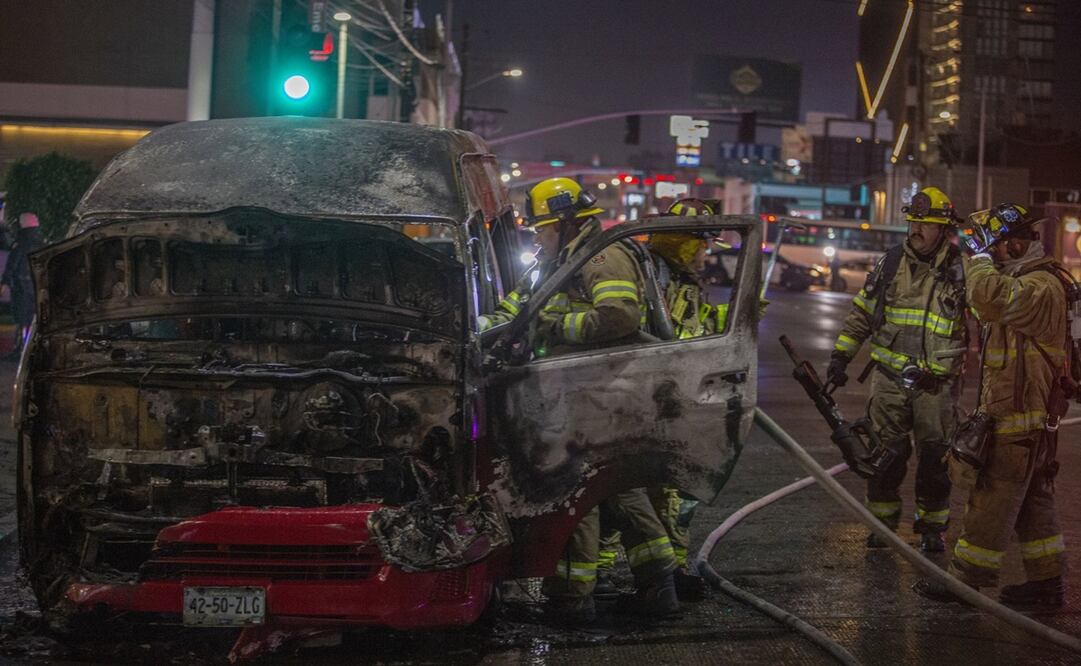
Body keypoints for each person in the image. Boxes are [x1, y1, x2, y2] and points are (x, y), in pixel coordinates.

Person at [515, 177, 679, 623]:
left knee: (575, 486)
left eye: (541, 228)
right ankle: (659, 585)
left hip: (601, 394)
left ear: (567, 223)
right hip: (587, 390)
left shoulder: (602, 256)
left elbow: (619, 316)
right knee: (619, 489)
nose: (536, 236)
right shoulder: (564, 260)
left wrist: (556, 326)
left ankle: (572, 598)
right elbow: (523, 307)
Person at [915, 203, 1069, 608]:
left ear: (1015, 243)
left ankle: (965, 583)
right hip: (1026, 417)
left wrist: (979, 260)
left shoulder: (1041, 287)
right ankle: (1046, 583)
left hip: (1018, 418)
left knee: (989, 499)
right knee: (1034, 502)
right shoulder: (1027, 280)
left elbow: (986, 298)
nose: (987, 254)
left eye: (994, 247)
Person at [827, 186, 967, 552]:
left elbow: (987, 324)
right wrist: (840, 357)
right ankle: (883, 526)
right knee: (884, 458)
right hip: (889, 383)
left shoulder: (963, 270)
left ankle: (933, 529)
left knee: (936, 462)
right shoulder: (890, 263)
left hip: (936, 388)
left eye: (926, 224)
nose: (916, 229)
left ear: (944, 230)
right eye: (913, 222)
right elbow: (862, 313)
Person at [1, 212, 43, 357]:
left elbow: (13, 263)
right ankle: (31, 348)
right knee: (32, 317)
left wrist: (5, 282)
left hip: (21, 286)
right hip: (36, 286)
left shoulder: (21, 242)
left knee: (22, 318)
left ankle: (21, 348)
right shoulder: (40, 242)